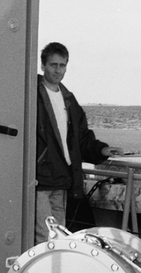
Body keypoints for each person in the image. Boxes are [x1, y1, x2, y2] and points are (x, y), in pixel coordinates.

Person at [35, 42, 115, 242]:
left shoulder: (68, 99)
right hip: (39, 180)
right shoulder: (32, 95)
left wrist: (102, 150)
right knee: (44, 237)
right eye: (53, 65)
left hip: (62, 179)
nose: (58, 70)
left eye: (62, 65)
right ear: (43, 65)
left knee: (58, 238)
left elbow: (81, 138)